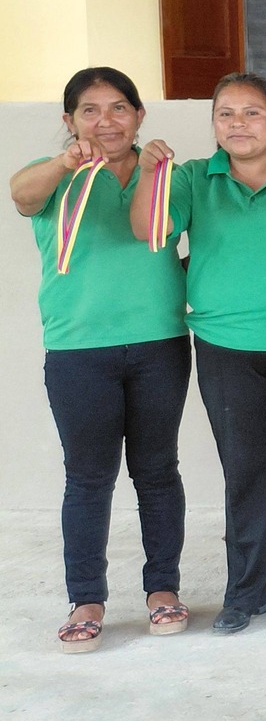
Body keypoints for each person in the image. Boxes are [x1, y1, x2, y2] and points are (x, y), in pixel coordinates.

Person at [127, 74, 266, 633]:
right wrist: (150, 175)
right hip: (225, 347)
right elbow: (148, 233)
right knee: (244, 472)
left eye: (251, 112)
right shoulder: (192, 178)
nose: (237, 124)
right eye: (225, 114)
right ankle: (246, 592)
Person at [11, 68, 190, 653]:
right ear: (69, 120)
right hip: (77, 350)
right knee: (88, 478)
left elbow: (175, 236)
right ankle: (86, 599)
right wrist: (65, 162)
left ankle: (163, 589)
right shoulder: (55, 176)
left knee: (157, 471)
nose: (105, 121)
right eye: (89, 110)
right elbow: (21, 195)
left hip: (159, 343)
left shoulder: (164, 173)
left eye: (118, 108)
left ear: (139, 115)